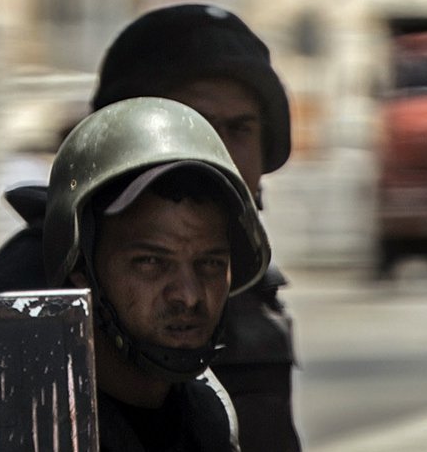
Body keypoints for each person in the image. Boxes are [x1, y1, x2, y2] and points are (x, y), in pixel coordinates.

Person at [0, 3, 302, 452]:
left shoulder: (218, 385)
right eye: (150, 262)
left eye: (239, 128)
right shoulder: (31, 302)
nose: (187, 294)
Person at [43, 97, 272, 452]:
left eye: (209, 264)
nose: (189, 295)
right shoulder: (35, 422)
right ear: (81, 268)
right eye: (151, 262)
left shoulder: (209, 414)